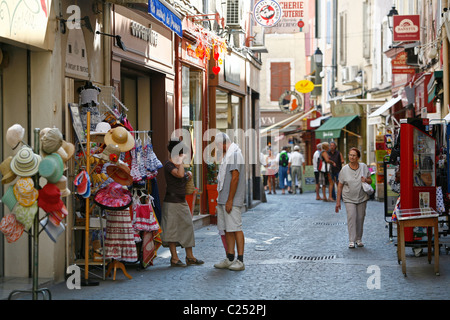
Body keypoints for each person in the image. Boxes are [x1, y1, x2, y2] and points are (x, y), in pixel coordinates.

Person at [161, 139, 204, 267]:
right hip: (171, 202)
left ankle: (190, 256)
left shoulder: (177, 164)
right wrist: (181, 163)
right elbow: (179, 175)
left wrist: (189, 174)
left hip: (181, 201)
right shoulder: (168, 164)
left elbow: (182, 176)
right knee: (171, 230)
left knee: (187, 227)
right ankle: (174, 258)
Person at [213, 132, 246, 271]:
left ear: (221, 144)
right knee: (227, 229)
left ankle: (240, 260)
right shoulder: (229, 154)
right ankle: (230, 258)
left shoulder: (235, 154)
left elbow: (235, 178)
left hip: (230, 199)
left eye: (218, 146)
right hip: (224, 198)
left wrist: (230, 200)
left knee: (236, 228)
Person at [335, 147, 372, 249]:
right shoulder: (344, 169)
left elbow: (370, 181)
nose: (352, 157)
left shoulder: (363, 167)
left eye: (354, 155)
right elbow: (340, 185)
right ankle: (351, 240)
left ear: (358, 157)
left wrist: (366, 180)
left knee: (360, 218)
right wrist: (338, 202)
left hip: (362, 197)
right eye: (350, 155)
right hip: (348, 198)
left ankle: (358, 239)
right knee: (352, 217)